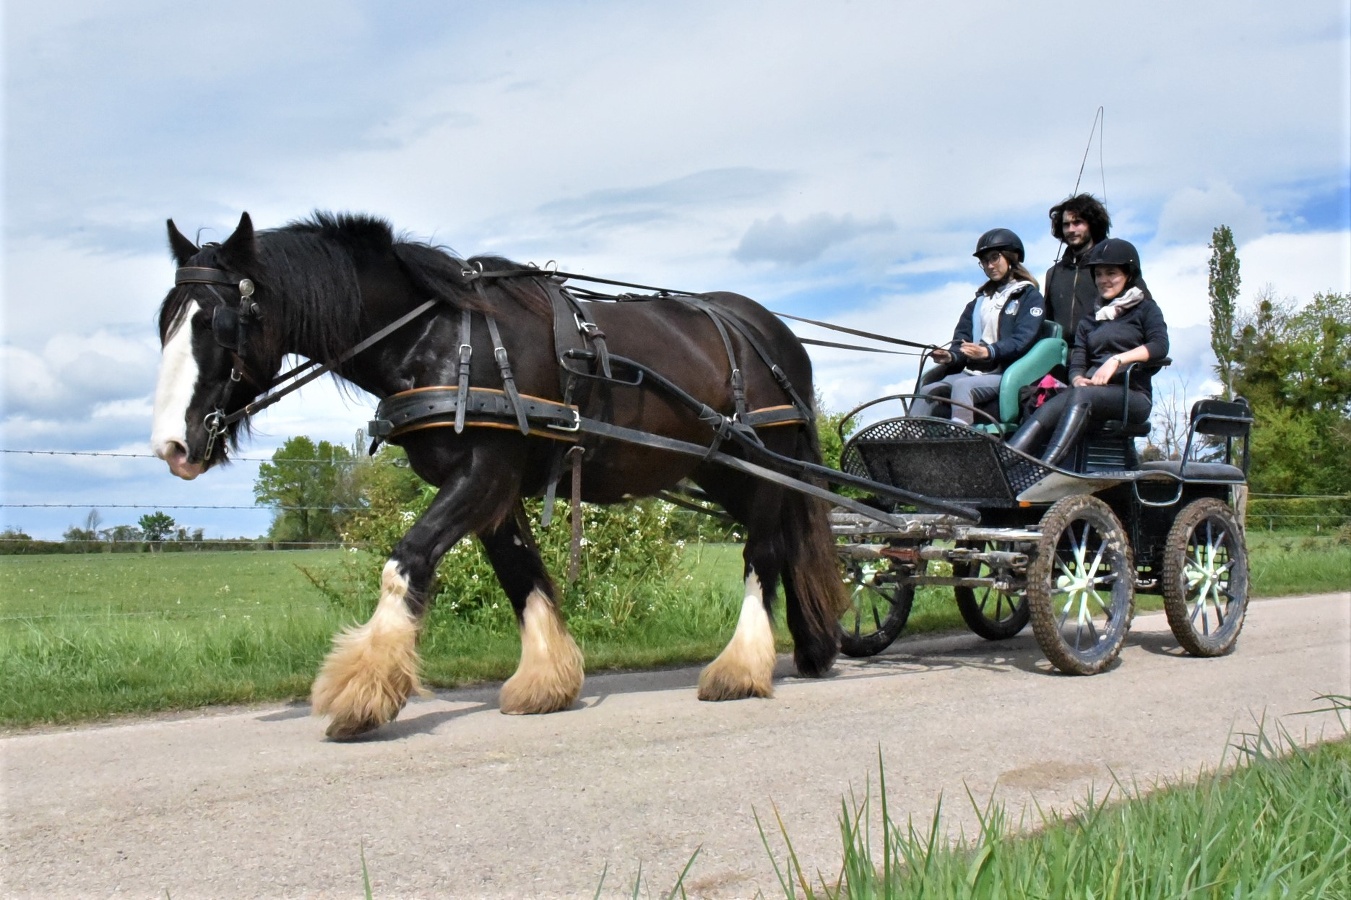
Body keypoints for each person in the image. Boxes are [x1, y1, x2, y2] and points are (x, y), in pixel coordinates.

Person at [1006, 237, 1169, 467]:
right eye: (1099, 274)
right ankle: (1007, 461)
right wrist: (1078, 378)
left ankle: (1046, 468)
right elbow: (1078, 362)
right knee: (1048, 400)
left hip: (1132, 395)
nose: (1103, 280)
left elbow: (1160, 346)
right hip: (1090, 393)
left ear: (1129, 274)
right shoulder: (1090, 320)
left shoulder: (1145, 309)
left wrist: (1117, 360)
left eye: (1111, 273)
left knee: (1080, 396)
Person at [909, 228, 1046, 424]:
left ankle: (962, 438)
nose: (989, 265)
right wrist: (951, 356)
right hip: (973, 372)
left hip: (1007, 372)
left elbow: (1022, 340)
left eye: (994, 258)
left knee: (964, 387)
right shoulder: (979, 302)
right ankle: (911, 438)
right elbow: (961, 340)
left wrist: (988, 352)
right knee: (928, 390)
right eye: (984, 261)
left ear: (1012, 257)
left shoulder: (1029, 298)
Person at [1044, 193, 1111, 345]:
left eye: (1077, 223)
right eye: (1066, 224)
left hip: (1097, 355)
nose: (1071, 230)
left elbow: (1140, 308)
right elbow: (1047, 321)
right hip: (1059, 356)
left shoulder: (1111, 268)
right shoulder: (1053, 273)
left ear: (1092, 225)